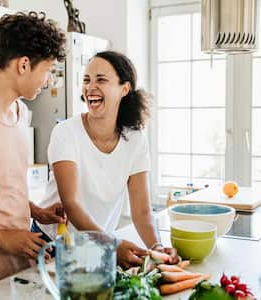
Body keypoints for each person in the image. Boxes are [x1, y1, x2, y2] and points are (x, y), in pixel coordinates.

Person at [35, 50, 179, 268]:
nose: (90, 87)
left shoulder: (135, 140)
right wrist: (110, 244)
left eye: (101, 79)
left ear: (124, 89)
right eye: (86, 80)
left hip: (97, 245)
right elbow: (71, 204)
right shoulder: (66, 132)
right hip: (52, 245)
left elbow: (141, 210)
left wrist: (157, 247)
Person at [0, 12, 67, 295]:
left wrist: (35, 211)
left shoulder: (21, 113)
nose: (48, 81)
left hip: (20, 268)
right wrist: (4, 238)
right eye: (48, 71)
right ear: (23, 65)